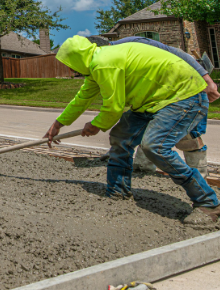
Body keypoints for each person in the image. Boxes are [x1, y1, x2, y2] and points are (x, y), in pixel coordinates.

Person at [45, 35, 219, 226]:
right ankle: (118, 191)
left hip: (184, 96)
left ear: (76, 58)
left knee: (155, 146)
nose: (69, 68)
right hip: (151, 101)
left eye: (68, 63)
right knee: (121, 137)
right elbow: (81, 99)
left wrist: (95, 125)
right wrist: (58, 124)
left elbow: (113, 108)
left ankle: (208, 203)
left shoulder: (104, 62)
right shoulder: (96, 65)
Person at [87, 35, 217, 178]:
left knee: (190, 135)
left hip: (186, 83)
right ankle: (143, 168)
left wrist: (207, 80)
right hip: (157, 91)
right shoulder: (111, 62)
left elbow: (180, 54)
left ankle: (200, 176)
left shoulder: (134, 43)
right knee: (149, 128)